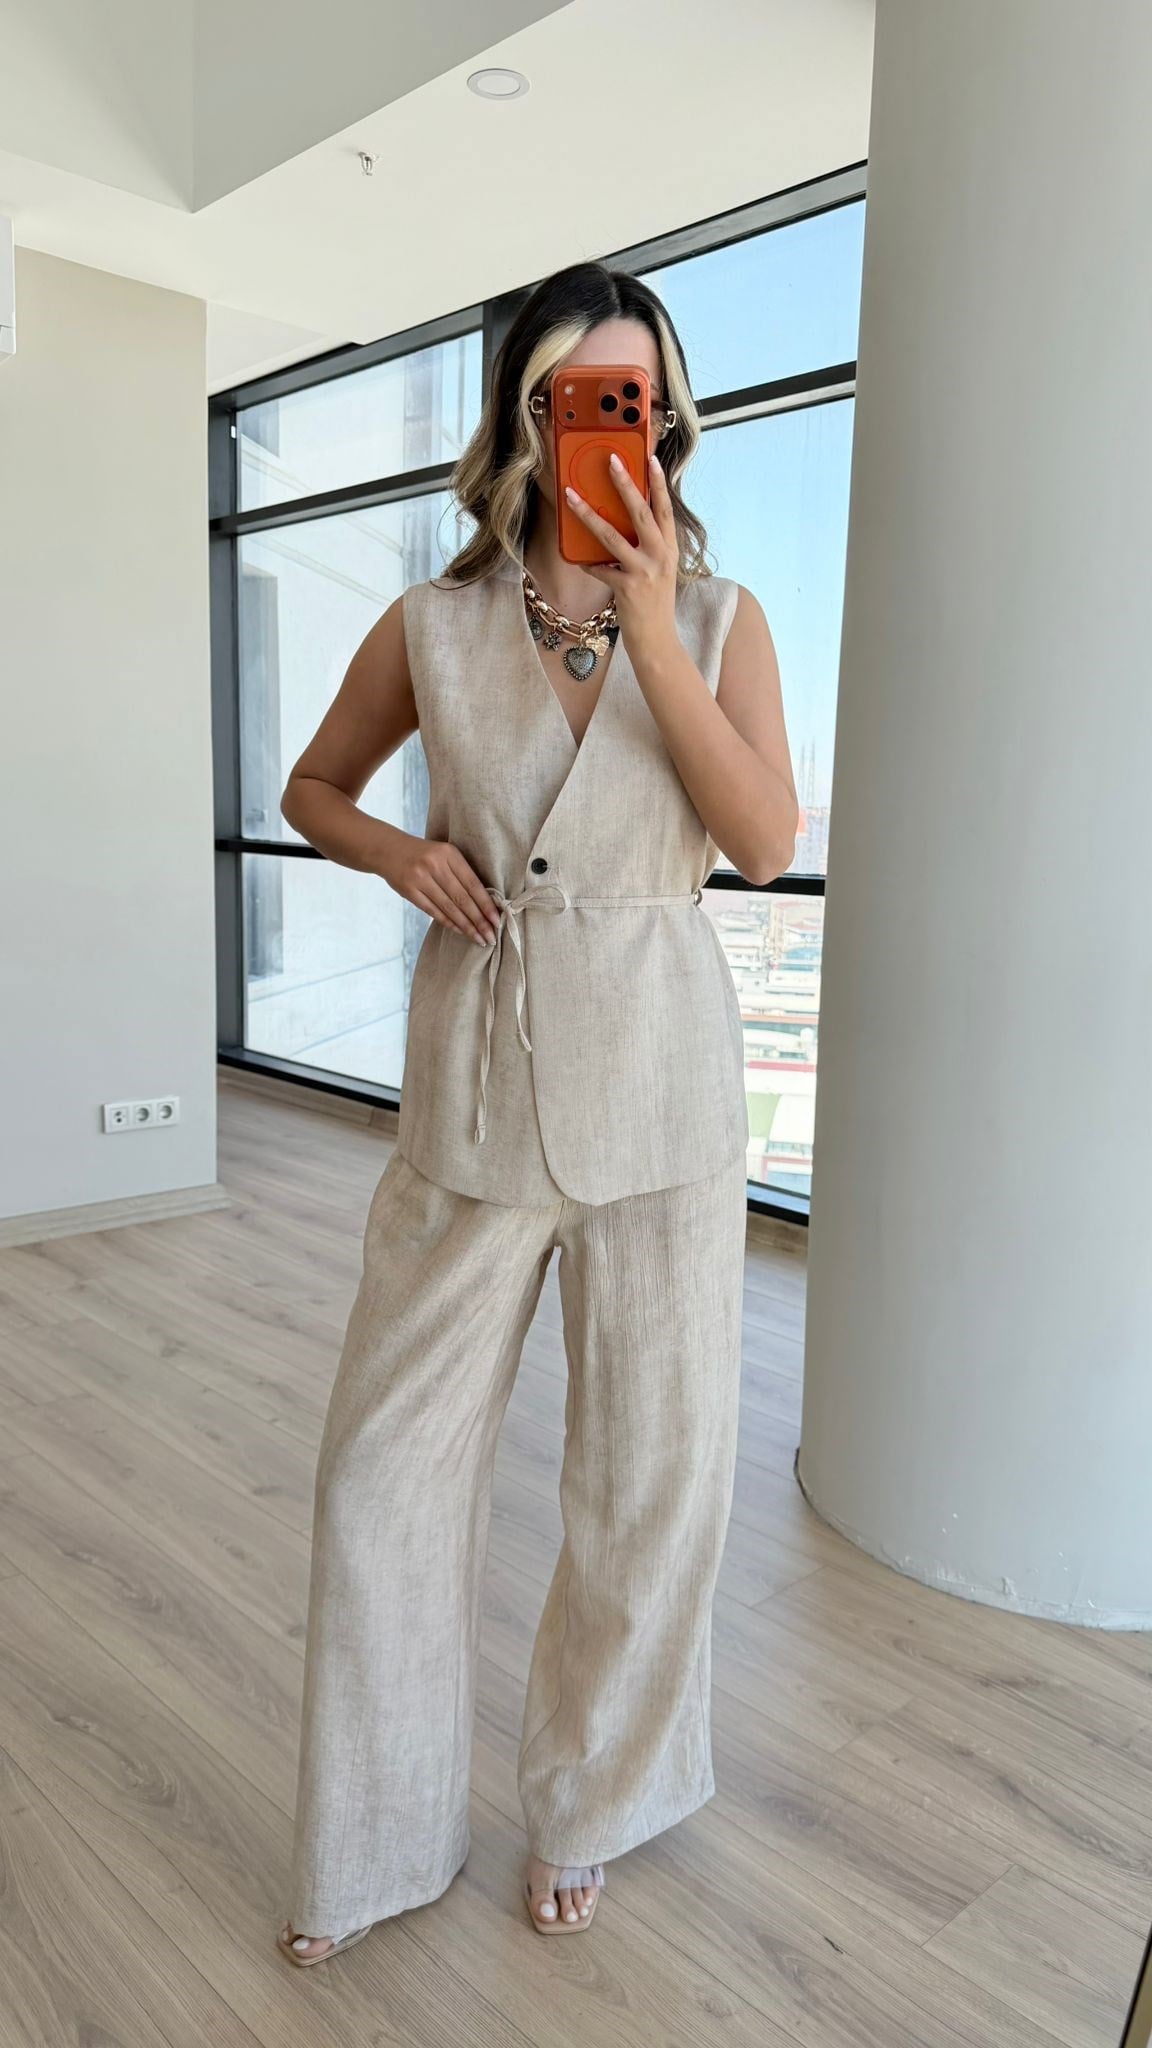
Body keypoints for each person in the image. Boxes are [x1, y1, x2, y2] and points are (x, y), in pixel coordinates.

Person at [275, 258, 798, 1958]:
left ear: (668, 418)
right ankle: (373, 1840)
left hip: (662, 1094)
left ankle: (592, 1806)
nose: (608, 427)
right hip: (476, 1093)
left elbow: (764, 842)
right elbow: (312, 785)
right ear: (525, 410)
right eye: (579, 396)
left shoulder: (722, 620)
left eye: (632, 398)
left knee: (652, 1486)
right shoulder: (430, 626)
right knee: (381, 1478)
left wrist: (650, 625)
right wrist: (398, 850)